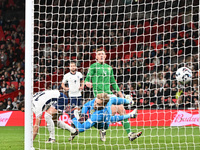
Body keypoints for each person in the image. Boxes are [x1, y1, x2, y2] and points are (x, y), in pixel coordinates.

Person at [84, 48, 134, 141]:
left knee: (122, 109)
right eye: (99, 54)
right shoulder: (93, 67)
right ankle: (103, 129)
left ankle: (130, 134)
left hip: (110, 94)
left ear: (106, 56)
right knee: (112, 112)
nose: (101, 56)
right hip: (100, 96)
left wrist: (120, 94)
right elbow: (87, 79)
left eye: (102, 54)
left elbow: (113, 82)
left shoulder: (109, 68)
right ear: (96, 57)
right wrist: (87, 83)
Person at [69, 93, 142, 141]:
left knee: (111, 120)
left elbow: (82, 129)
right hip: (100, 116)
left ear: (103, 105)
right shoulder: (104, 100)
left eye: (97, 104)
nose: (94, 104)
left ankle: (103, 131)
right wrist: (128, 101)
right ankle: (131, 115)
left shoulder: (98, 115)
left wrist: (72, 116)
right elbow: (119, 100)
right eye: (95, 102)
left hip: (100, 123)